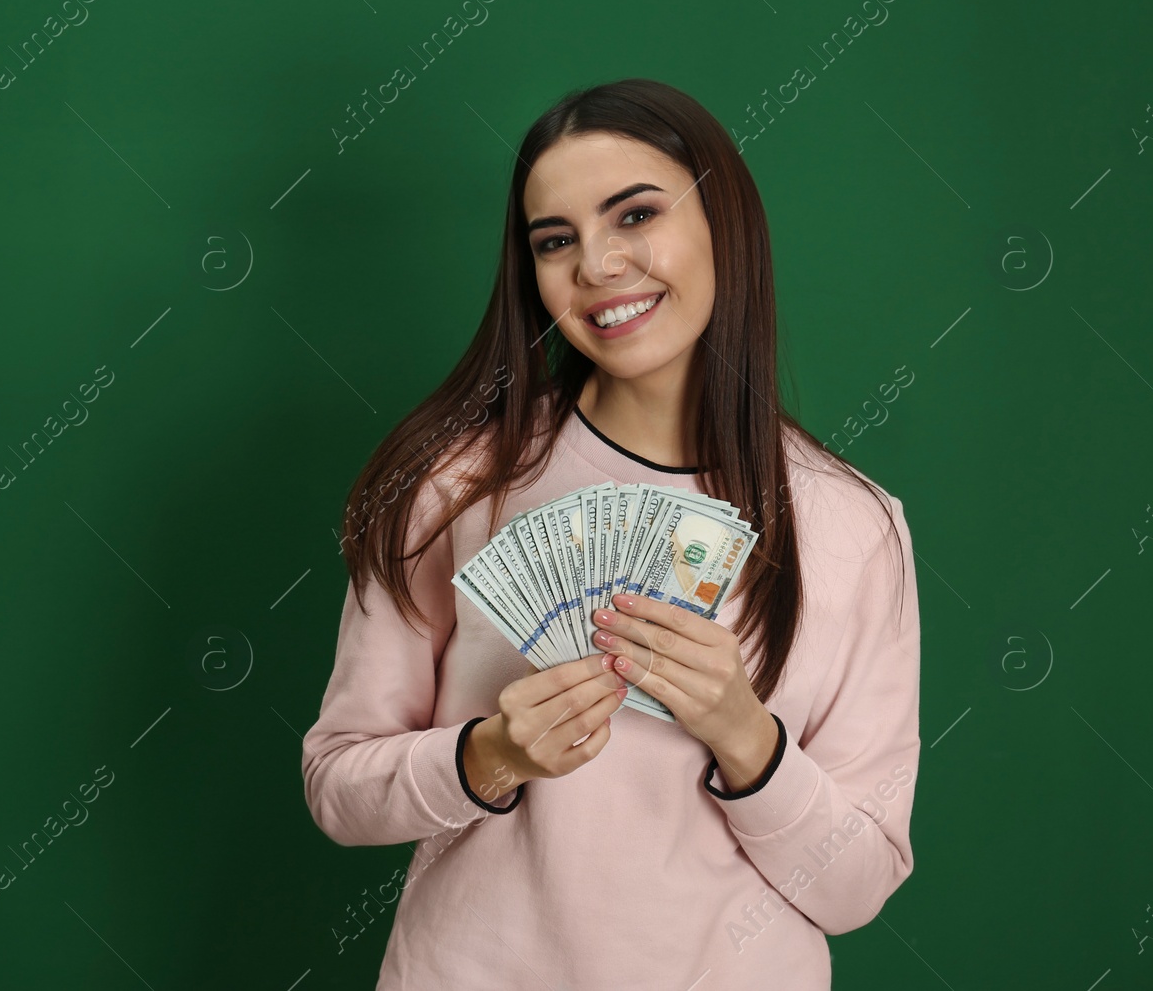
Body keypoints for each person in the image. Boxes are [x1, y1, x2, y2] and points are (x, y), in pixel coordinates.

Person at [302, 78, 921, 990]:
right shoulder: (455, 483)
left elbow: (855, 887)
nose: (595, 265)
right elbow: (338, 786)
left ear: (725, 221)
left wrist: (745, 734)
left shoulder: (853, 525)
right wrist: (490, 756)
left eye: (634, 216)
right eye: (556, 240)